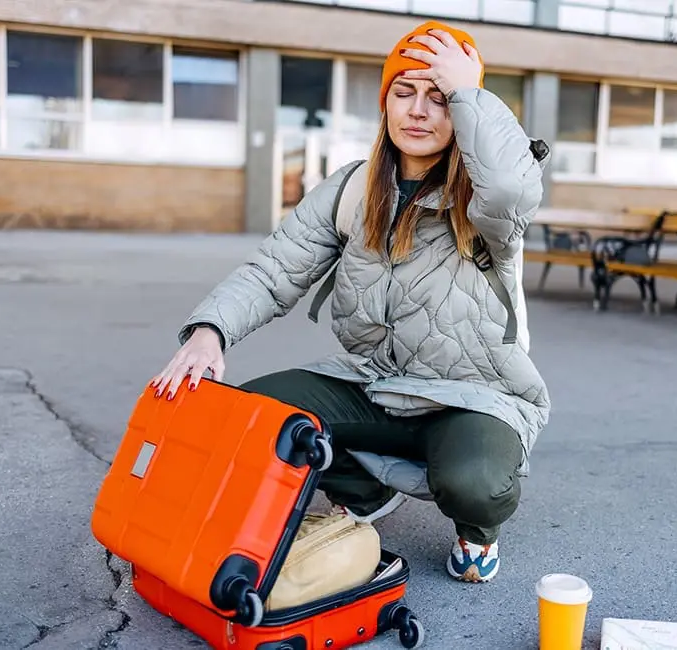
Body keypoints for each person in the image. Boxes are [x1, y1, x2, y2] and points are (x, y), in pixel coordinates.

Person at [151, 20, 551, 584]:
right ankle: (363, 488)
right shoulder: (352, 188)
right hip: (375, 382)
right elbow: (273, 271)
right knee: (257, 416)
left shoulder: (486, 203)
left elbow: (513, 185)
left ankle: (476, 533)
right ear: (385, 103)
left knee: (475, 484)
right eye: (404, 92)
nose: (418, 111)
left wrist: (470, 91)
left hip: (474, 395)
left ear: (463, 111)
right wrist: (210, 331)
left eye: (439, 98)